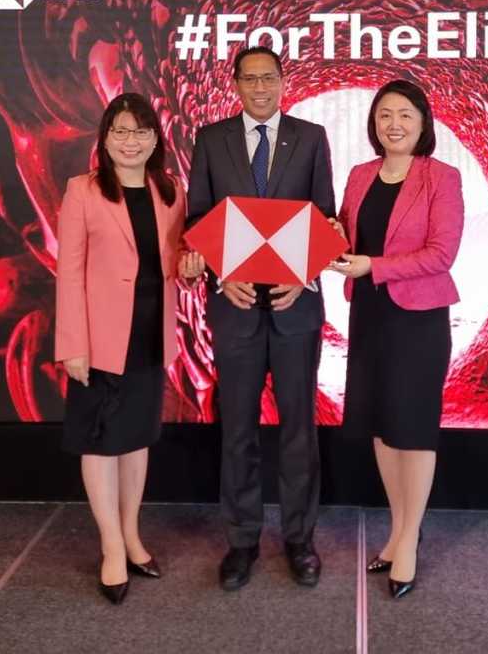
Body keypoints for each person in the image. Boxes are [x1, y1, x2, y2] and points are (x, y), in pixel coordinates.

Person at [184, 45, 336, 590]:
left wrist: (305, 274)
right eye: (249, 79)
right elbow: (198, 217)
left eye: (268, 78)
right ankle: (242, 540)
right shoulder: (211, 139)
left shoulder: (311, 138)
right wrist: (223, 273)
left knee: (299, 430)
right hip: (236, 305)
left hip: (297, 307)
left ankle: (300, 539)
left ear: (282, 81)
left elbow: (326, 217)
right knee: (238, 430)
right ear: (236, 85)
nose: (260, 88)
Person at [55, 92, 193, 604]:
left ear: (155, 138)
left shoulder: (170, 191)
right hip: (98, 339)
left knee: (136, 439)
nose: (130, 141)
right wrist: (74, 343)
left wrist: (192, 267)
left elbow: (176, 262)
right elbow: (68, 272)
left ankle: (132, 535)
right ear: (105, 138)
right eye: (120, 131)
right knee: (99, 442)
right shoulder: (83, 190)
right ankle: (111, 547)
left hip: (150, 335)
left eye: (140, 131)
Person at [330, 79, 463, 599]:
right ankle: (399, 527)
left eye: (405, 114)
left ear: (423, 123)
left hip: (419, 318)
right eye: (385, 114)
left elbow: (441, 254)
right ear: (373, 123)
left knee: (413, 428)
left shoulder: (441, 177)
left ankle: (408, 540)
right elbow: (346, 237)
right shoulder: (360, 175)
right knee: (381, 427)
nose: (394, 124)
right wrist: (329, 240)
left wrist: (373, 266)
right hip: (369, 313)